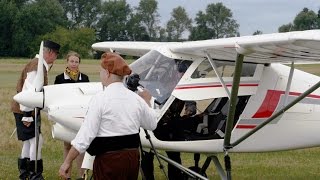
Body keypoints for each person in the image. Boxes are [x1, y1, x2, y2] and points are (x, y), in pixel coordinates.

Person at [59, 52, 158, 180]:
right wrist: (146, 102)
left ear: (107, 73)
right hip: (132, 159)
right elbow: (152, 124)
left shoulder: (100, 99)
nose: (100, 74)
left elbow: (84, 137)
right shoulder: (135, 98)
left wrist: (67, 161)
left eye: (101, 71)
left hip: (109, 161)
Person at [11, 40, 60, 180]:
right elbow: (29, 89)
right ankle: (35, 175)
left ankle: (25, 173)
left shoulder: (38, 64)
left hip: (25, 109)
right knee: (37, 141)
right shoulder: (36, 66)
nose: (56, 58)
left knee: (29, 141)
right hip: (26, 109)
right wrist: (27, 114)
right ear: (49, 52)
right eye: (56, 54)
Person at [54, 51, 89, 179]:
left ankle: (81, 176)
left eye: (76, 61)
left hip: (80, 118)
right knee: (67, 145)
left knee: (80, 147)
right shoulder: (59, 79)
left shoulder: (85, 78)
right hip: (65, 117)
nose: (74, 64)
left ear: (79, 63)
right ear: (67, 62)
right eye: (72, 61)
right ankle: (66, 175)